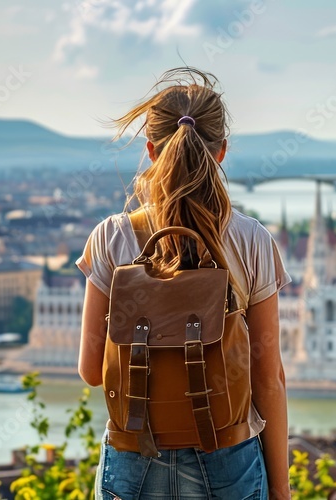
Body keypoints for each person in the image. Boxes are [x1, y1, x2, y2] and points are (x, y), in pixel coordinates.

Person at [75, 67, 291, 500]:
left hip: (133, 456)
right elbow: (268, 381)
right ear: (223, 151)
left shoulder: (110, 237)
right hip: (228, 456)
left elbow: (91, 371)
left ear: (152, 150)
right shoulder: (252, 241)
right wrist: (281, 490)